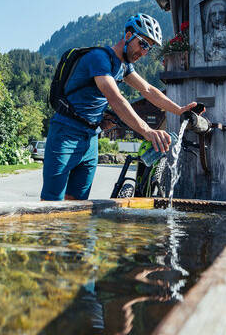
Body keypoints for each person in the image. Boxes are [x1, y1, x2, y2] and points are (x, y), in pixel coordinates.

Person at [40, 13, 197, 202]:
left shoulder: (123, 67)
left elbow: (148, 90)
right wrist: (147, 130)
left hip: (90, 139)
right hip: (65, 133)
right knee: (51, 203)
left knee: (78, 205)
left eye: (150, 48)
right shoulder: (99, 58)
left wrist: (179, 110)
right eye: (143, 44)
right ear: (129, 35)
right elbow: (115, 98)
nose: (144, 52)